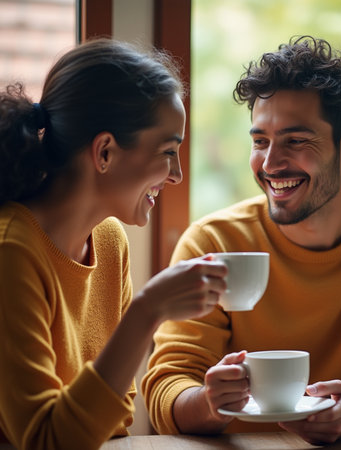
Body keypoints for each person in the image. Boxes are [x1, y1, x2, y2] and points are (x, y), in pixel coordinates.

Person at [142, 35, 341, 444]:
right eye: (260, 141)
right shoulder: (213, 242)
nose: (270, 164)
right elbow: (166, 393)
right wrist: (209, 401)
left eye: (296, 141)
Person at [0, 38, 227, 450]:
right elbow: (46, 441)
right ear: (105, 151)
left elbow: (117, 413)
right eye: (167, 151)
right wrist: (148, 310)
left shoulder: (108, 240)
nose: (176, 174)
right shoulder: (11, 253)